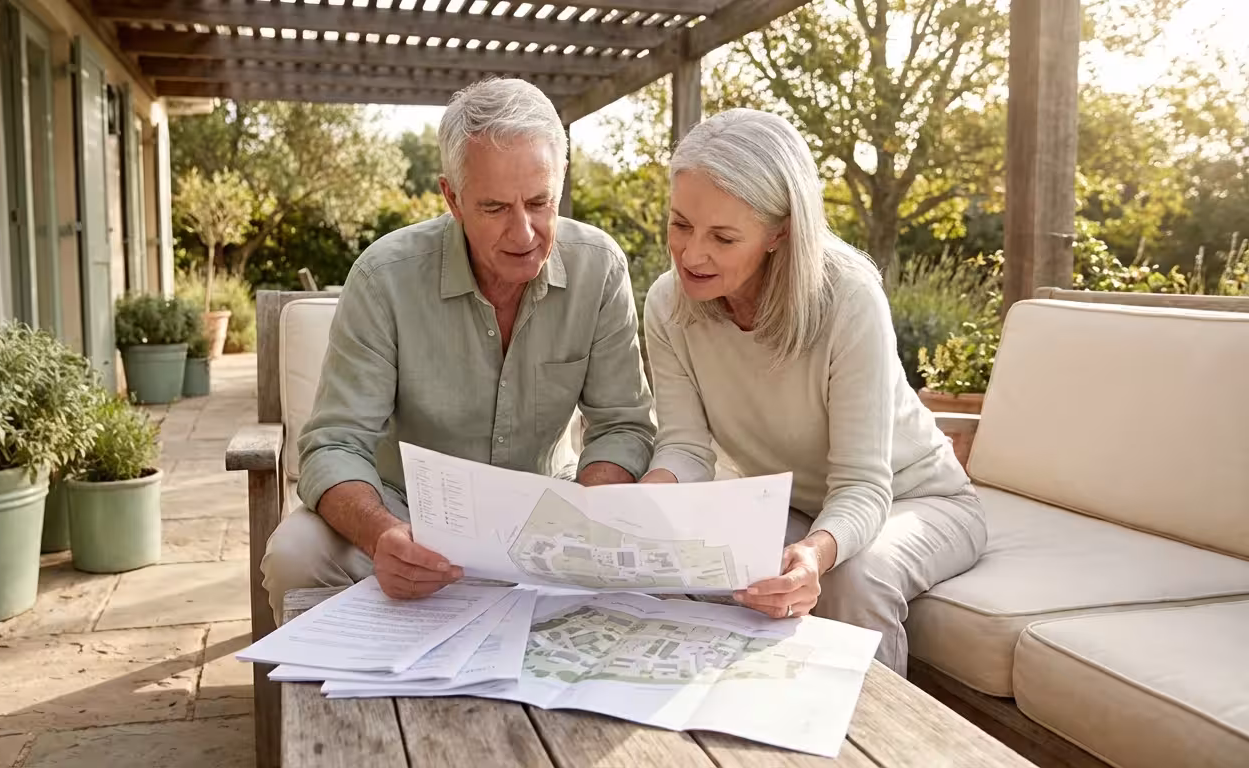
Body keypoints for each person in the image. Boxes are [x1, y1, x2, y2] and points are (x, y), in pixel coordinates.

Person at [261, 78, 656, 622]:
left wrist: (583, 517)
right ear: (452, 198)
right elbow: (335, 443)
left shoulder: (600, 267)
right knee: (294, 556)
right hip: (406, 509)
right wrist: (383, 536)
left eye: (540, 203)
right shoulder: (383, 278)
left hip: (548, 505)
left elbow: (624, 426)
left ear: (560, 186)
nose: (523, 233)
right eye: (494, 207)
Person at [639, 108, 986, 675]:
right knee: (697, 558)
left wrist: (815, 555)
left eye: (723, 237)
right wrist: (645, 504)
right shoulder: (667, 304)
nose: (691, 255)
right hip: (795, 505)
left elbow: (862, 485)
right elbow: (683, 448)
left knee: (853, 579)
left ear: (780, 233)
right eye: (680, 225)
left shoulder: (847, 299)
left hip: (917, 498)